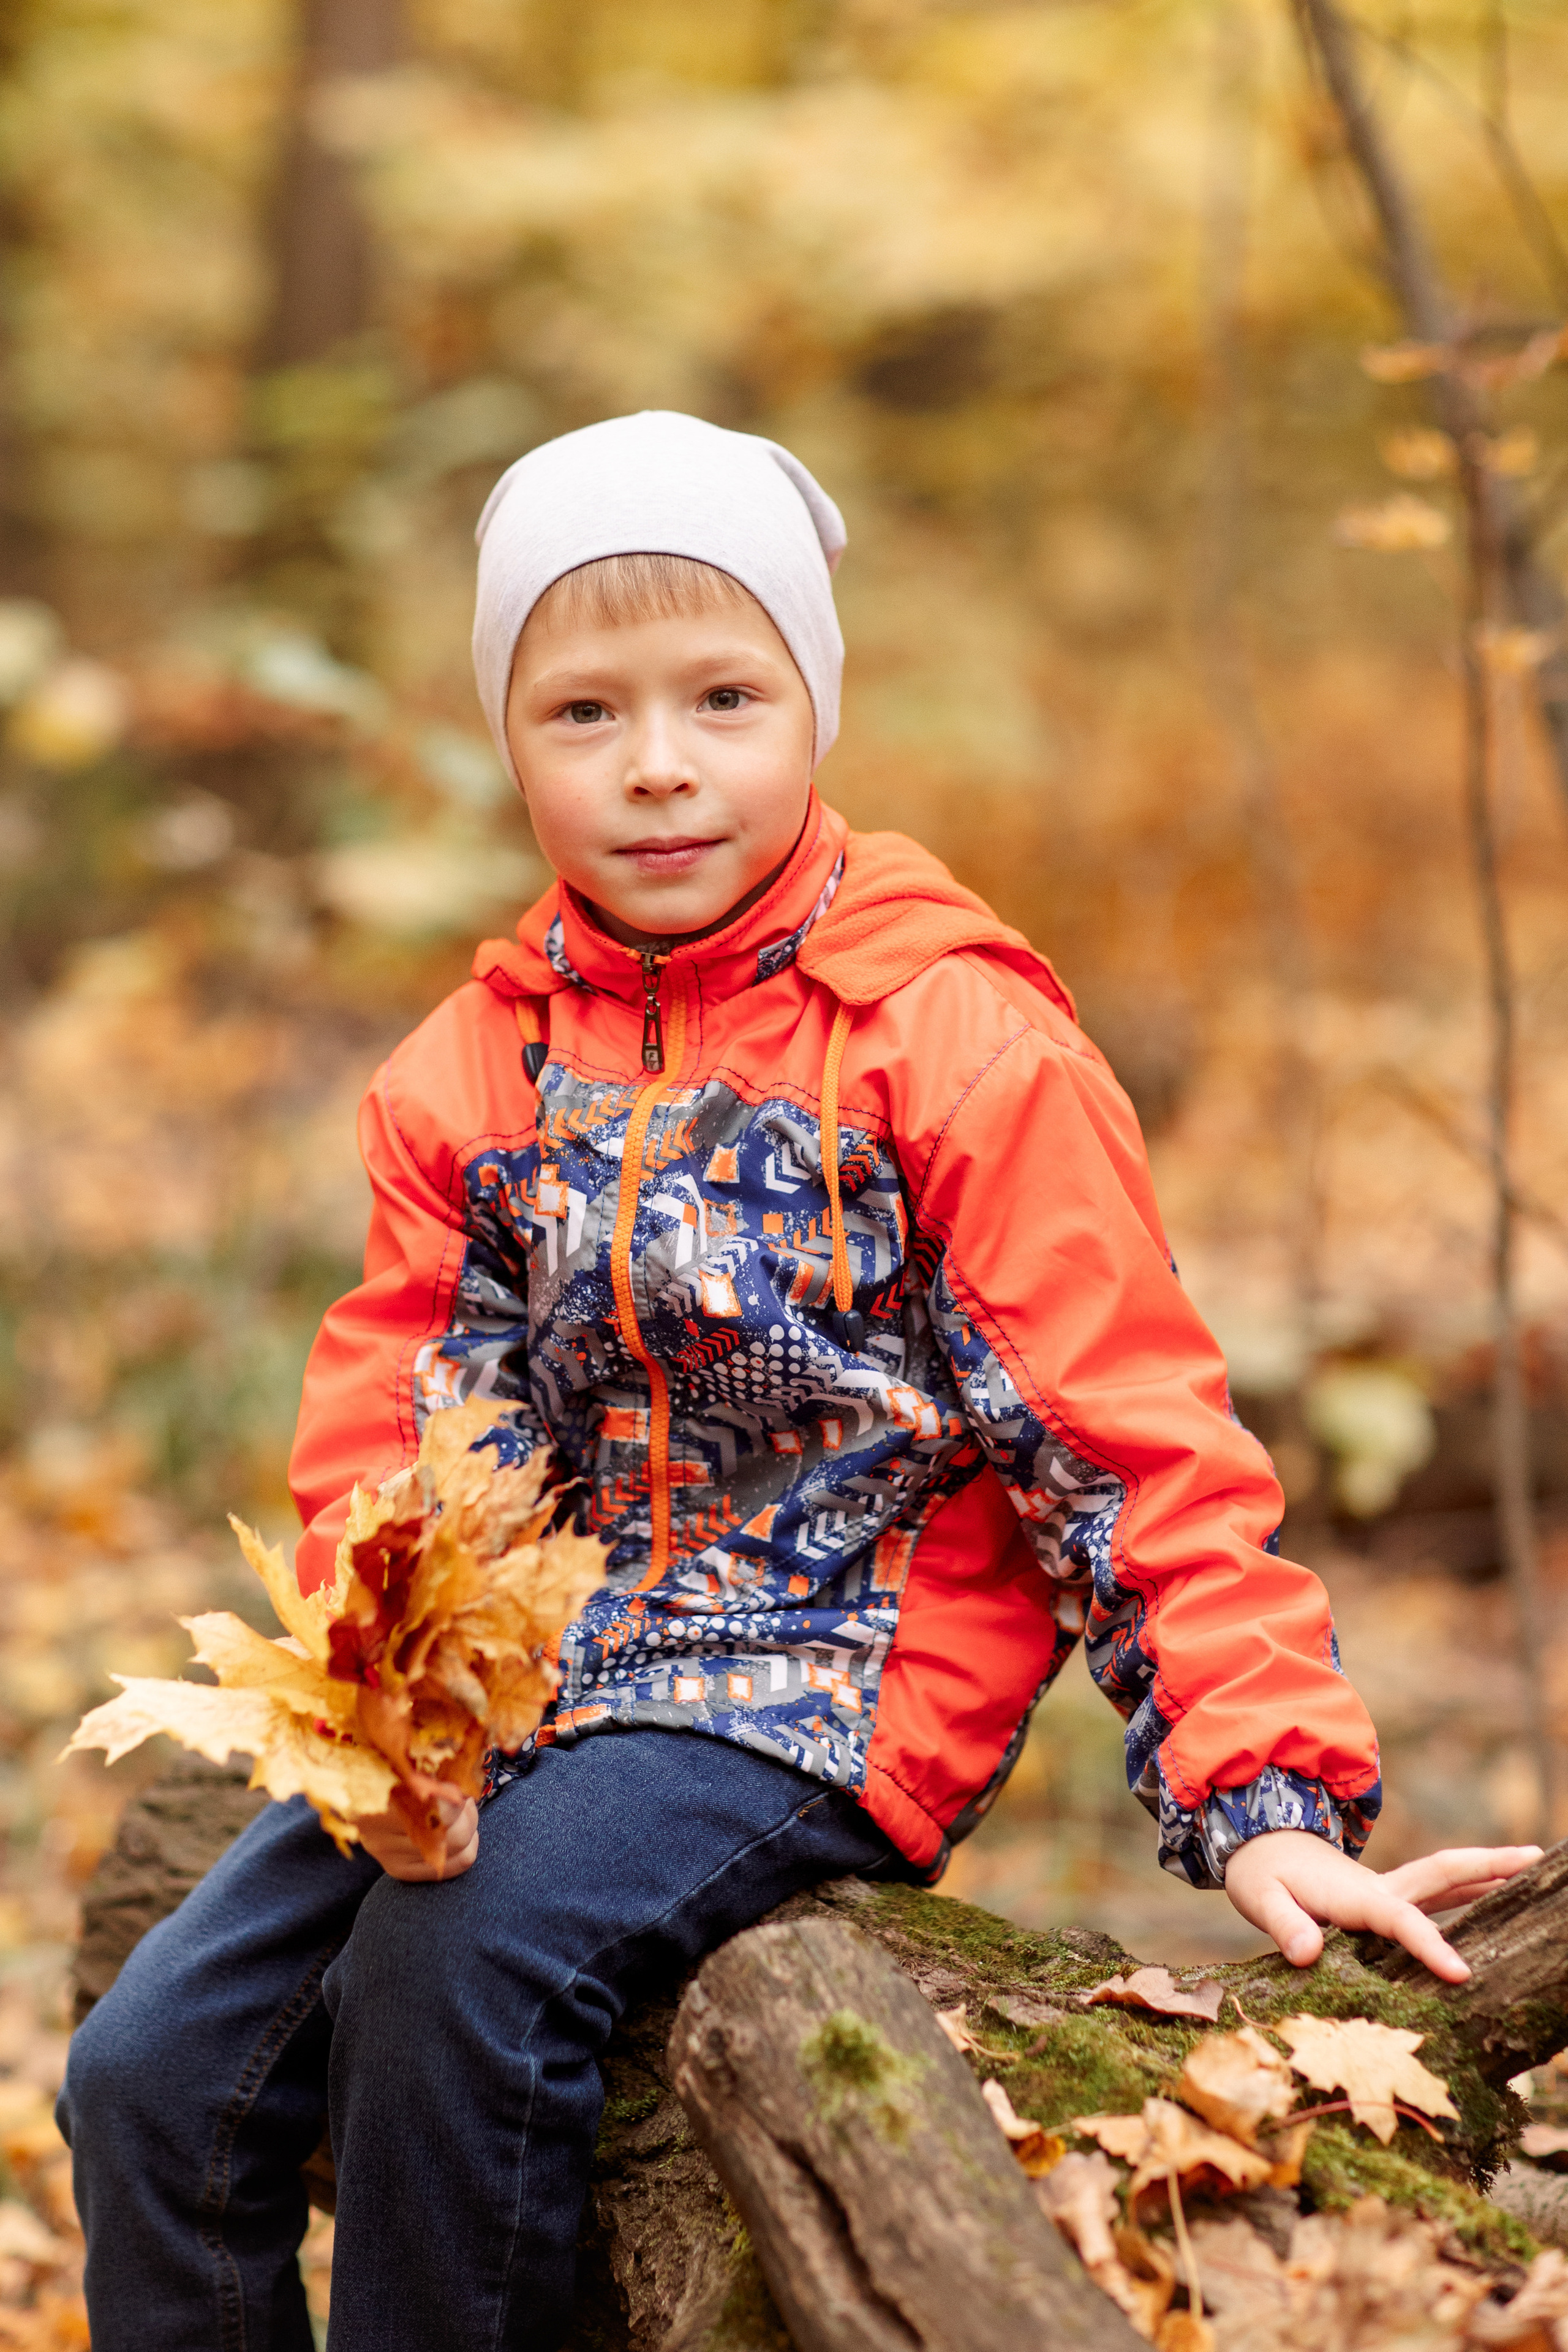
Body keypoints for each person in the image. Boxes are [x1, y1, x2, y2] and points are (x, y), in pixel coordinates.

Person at [59, 410, 1539, 2351]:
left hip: (822, 1680)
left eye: (724, 696)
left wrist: (1263, 1792)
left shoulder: (951, 1041)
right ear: (510, 741)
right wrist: (393, 1699)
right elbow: (403, 1424)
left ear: (812, 708)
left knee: (457, 1972)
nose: (660, 764)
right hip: (529, 1676)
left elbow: (1126, 1436)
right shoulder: (473, 1070)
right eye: (583, 711)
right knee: (151, 2070)